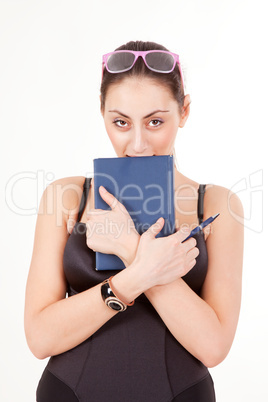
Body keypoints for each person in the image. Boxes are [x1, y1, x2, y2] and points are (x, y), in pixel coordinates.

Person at [24, 40, 244, 402]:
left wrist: (129, 248)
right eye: (121, 123)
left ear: (184, 111)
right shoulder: (67, 197)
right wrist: (137, 275)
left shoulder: (217, 204)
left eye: (155, 121)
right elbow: (39, 338)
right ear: (103, 113)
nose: (138, 144)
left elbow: (213, 346)